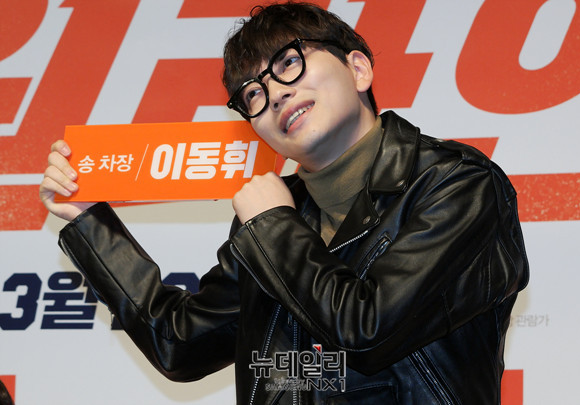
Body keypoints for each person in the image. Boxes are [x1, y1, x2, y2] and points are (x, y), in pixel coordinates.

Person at [39, 2, 529, 404]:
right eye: (252, 94)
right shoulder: (274, 216)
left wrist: (274, 225)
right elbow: (180, 344)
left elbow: (368, 329)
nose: (273, 93)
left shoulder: (457, 184)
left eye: (288, 63)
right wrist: (90, 222)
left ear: (358, 68)